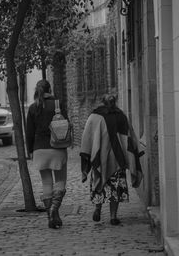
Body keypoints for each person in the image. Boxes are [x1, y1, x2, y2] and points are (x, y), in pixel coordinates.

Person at [80, 94, 143, 225]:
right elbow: (129, 137)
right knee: (116, 188)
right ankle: (113, 217)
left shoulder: (94, 116)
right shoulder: (121, 116)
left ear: (102, 102)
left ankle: (98, 209)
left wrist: (86, 160)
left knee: (100, 183)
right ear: (115, 102)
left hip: (100, 159)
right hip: (117, 160)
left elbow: (87, 138)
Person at [26, 79, 67, 229]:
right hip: (57, 148)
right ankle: (54, 209)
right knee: (60, 180)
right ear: (50, 89)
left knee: (46, 183)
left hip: (39, 149)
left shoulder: (32, 107)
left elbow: (29, 132)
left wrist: (30, 150)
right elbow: (67, 123)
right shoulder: (58, 104)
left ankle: (51, 216)